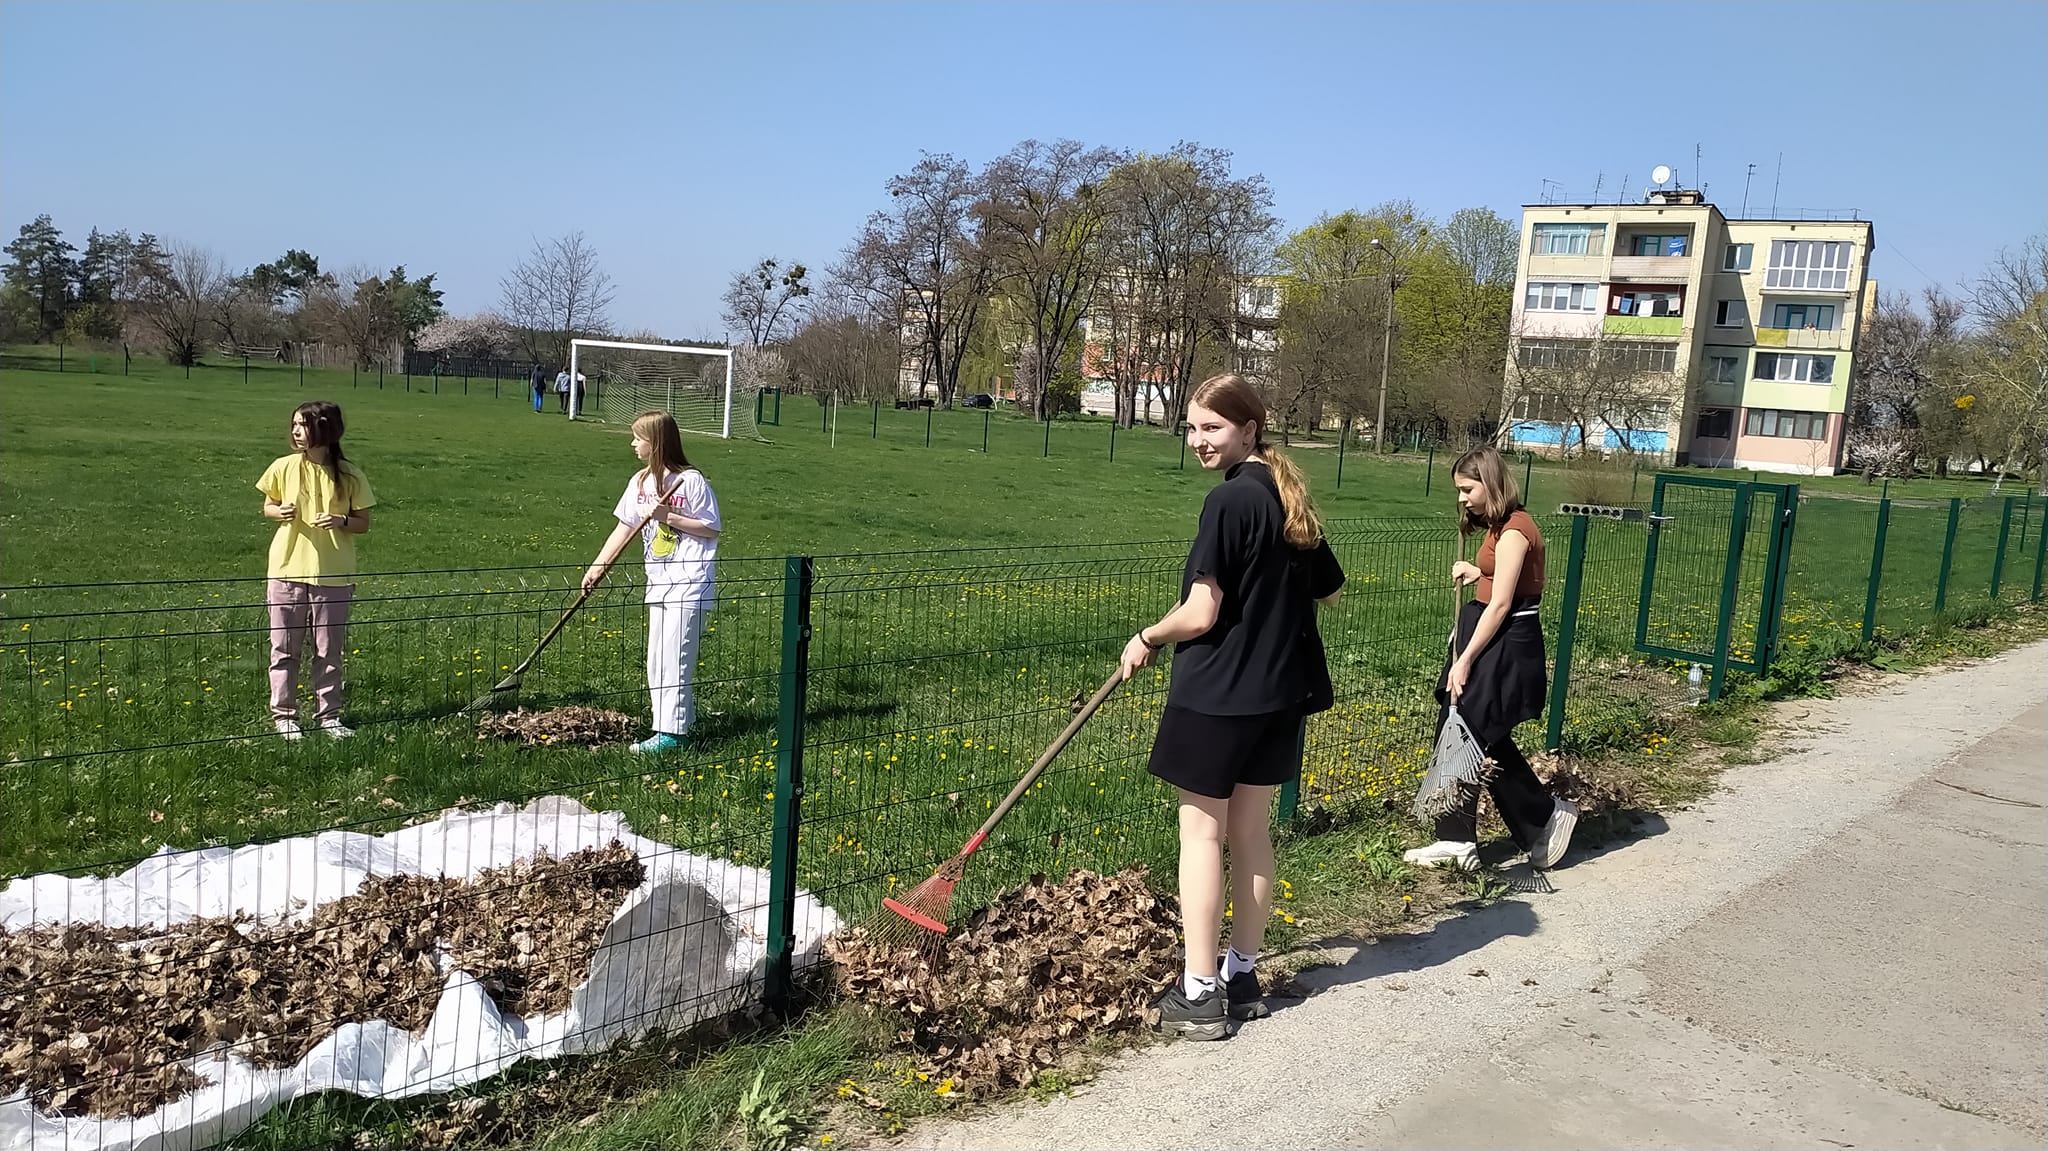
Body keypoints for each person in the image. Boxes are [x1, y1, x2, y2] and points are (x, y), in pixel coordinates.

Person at [1121, 373, 1344, 1040]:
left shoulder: (1229, 505)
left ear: (1249, 427)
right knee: (1250, 834)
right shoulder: (1286, 495)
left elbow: (1201, 610)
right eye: (1192, 428)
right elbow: (1329, 588)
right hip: (1276, 697)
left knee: (1202, 836)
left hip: (1218, 696)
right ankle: (1242, 977)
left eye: (1212, 427)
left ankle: (1198, 992)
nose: (1198, 440)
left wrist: (1146, 636)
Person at [1404, 446, 1578, 872]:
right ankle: (1465, 836)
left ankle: (1542, 816)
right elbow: (1502, 579)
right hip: (1488, 627)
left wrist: (1463, 660)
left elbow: (1503, 604)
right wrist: (1477, 572)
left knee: (1470, 730)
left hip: (1506, 637)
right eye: (1459, 491)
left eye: (1467, 489)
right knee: (1468, 728)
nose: (1461, 498)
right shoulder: (1498, 527)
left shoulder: (1517, 529)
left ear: (1490, 482)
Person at [583, 411, 721, 754]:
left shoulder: (690, 482)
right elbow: (625, 526)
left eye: (638, 438)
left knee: (676, 657)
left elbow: (711, 527)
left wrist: (668, 516)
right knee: (657, 658)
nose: (633, 444)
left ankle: (672, 736)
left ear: (656, 442)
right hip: (658, 581)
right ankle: (673, 724)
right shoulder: (640, 482)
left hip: (689, 581)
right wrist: (599, 567)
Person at [256, 401, 375, 740]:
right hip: (286, 570)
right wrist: (279, 512)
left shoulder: (350, 475)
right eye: (293, 424)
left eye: (302, 425)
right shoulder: (282, 467)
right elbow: (268, 506)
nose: (295, 431)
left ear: (325, 429)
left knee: (328, 650)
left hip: (333, 575)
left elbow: (363, 524)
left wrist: (341, 521)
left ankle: (329, 717)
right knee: (284, 648)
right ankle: (285, 716)